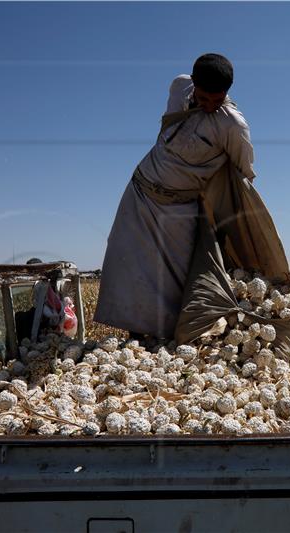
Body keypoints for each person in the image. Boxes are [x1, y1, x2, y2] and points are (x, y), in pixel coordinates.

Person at [94, 53, 256, 342]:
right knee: (129, 266)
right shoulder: (179, 86)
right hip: (140, 192)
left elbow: (243, 173)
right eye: (204, 98)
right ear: (194, 84)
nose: (209, 106)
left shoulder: (232, 125)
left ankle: (170, 342)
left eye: (217, 101)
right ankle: (136, 341)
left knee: (174, 280)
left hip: (180, 209)